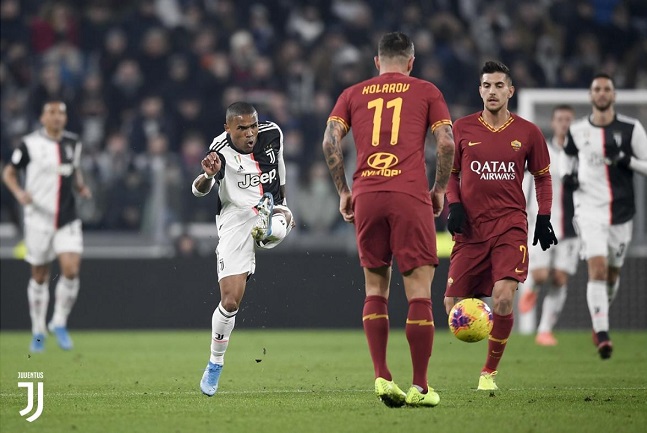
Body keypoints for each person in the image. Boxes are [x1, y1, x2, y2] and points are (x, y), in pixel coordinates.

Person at [322, 32, 455, 408]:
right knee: (419, 293)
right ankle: (421, 387)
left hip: (367, 194)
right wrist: (439, 189)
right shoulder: (426, 90)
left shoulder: (353, 93)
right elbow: (446, 142)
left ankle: (382, 375)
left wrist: (344, 192)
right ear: (411, 63)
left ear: (377, 62)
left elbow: (330, 143)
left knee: (375, 289)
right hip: (409, 193)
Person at [445, 61, 557, 391]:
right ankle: (482, 322)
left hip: (510, 226)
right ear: (479, 91)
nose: (492, 92)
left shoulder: (528, 132)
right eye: (486, 86)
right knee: (452, 308)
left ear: (510, 90)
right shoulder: (462, 127)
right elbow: (452, 175)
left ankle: (488, 373)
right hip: (472, 231)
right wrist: (454, 205)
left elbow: (543, 177)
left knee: (504, 297)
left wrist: (545, 216)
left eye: (498, 86)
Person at [194, 101, 295, 396]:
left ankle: (269, 224)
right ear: (228, 129)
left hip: (271, 206)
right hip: (235, 216)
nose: (250, 133)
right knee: (230, 302)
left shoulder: (272, 133)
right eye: (242, 128)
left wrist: (285, 203)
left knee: (276, 224)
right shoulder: (219, 149)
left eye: (253, 125)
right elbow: (197, 190)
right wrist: (209, 176)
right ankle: (215, 364)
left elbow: (281, 168)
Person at [560, 73, 647, 360]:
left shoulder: (631, 128)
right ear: (590, 95)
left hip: (621, 214)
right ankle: (602, 333)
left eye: (606, 89)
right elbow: (568, 158)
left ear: (614, 95)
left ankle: (600, 318)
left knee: (612, 274)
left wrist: (627, 160)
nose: (601, 93)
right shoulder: (577, 130)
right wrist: (569, 177)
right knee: (596, 268)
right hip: (589, 211)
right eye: (596, 88)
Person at [2, 100, 92, 352]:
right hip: (38, 219)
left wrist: (81, 186)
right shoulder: (29, 144)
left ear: (65, 118)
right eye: (51, 113)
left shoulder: (73, 143)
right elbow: (9, 172)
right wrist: (19, 193)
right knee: (40, 275)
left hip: (67, 217)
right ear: (42, 118)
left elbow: (74, 171)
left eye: (61, 113)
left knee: (71, 269)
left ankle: (59, 322)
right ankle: (38, 330)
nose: (56, 117)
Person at [518, 105, 580, 346]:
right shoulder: (542, 151)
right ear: (553, 123)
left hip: (573, 225)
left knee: (560, 279)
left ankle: (544, 330)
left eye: (568, 119)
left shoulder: (581, 156)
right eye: (560, 119)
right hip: (542, 223)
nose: (564, 123)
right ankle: (532, 287)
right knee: (542, 275)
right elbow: (526, 181)